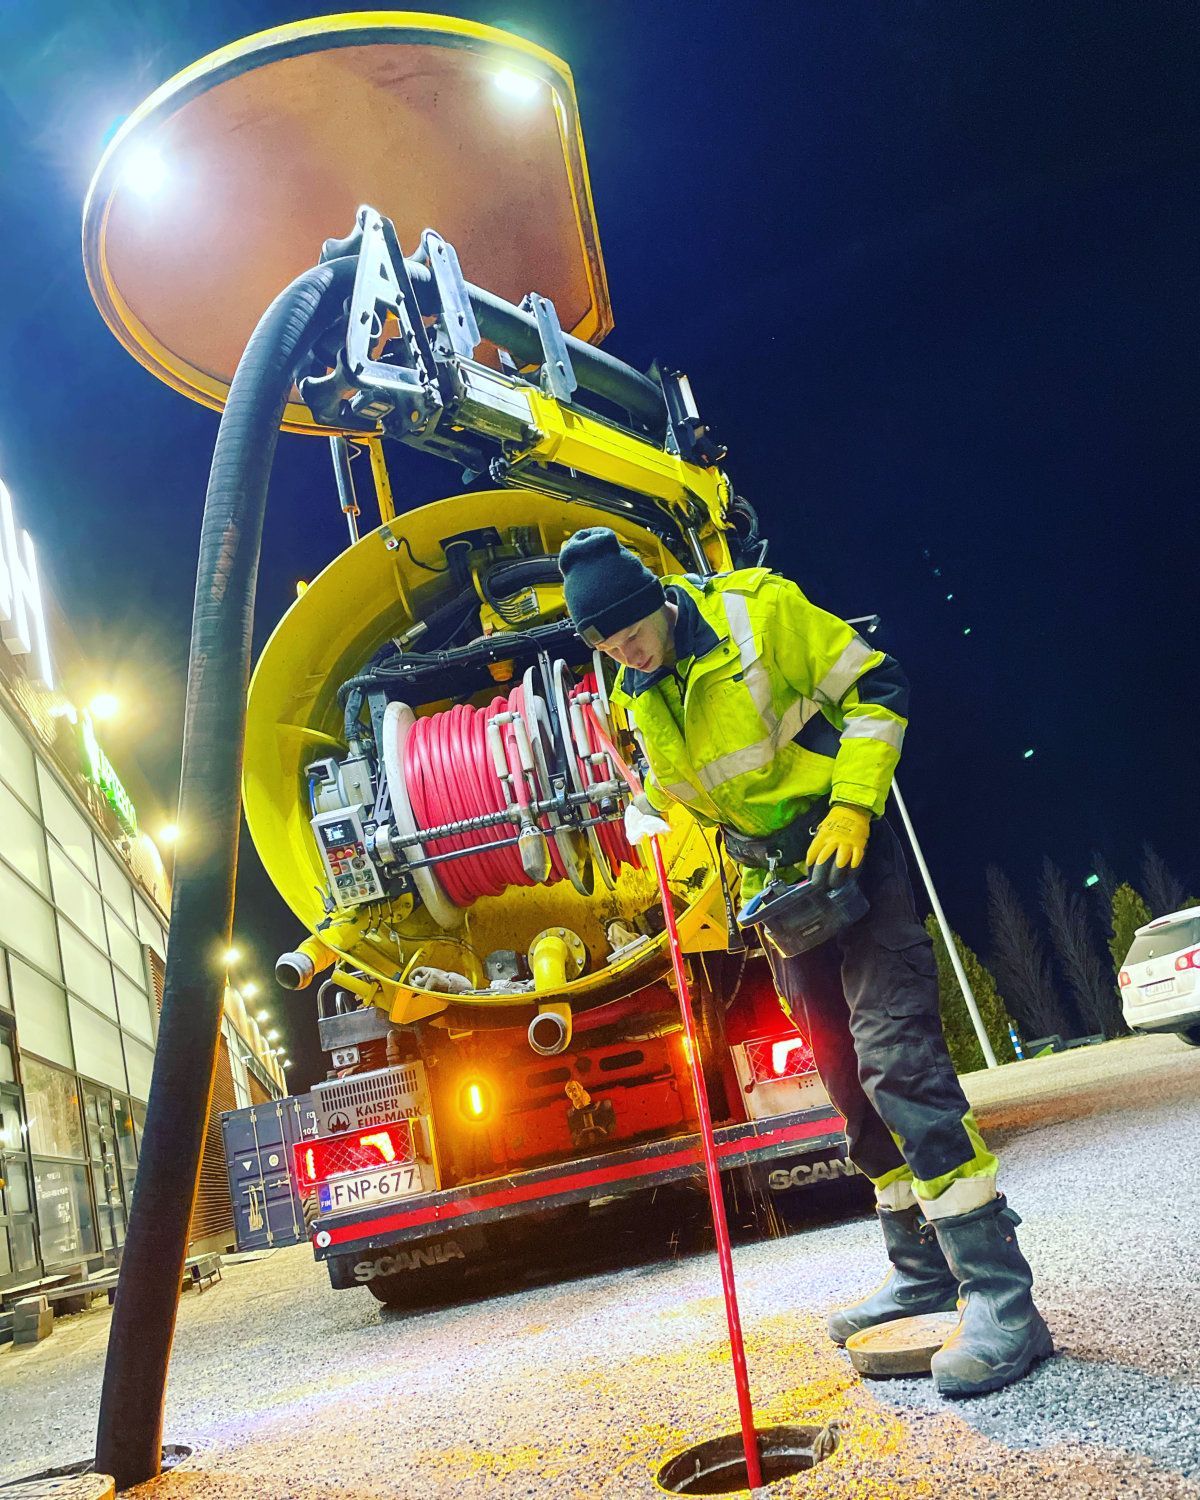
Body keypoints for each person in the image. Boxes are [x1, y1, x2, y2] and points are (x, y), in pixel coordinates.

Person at [558, 526, 1052, 1397]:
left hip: (849, 855)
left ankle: (1003, 1300)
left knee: (898, 1063)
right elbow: (700, 792)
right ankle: (920, 1269)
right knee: (844, 1078)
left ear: (657, 602)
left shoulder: (758, 612)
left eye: (630, 633)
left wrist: (855, 807)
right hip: (781, 890)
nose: (624, 652)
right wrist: (653, 817)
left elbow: (879, 685)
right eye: (606, 645)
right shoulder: (637, 694)